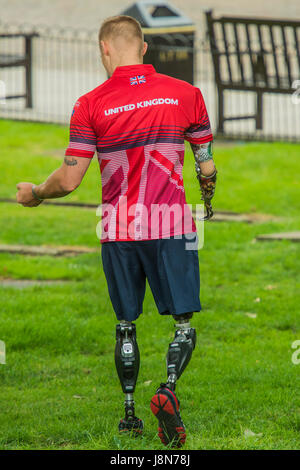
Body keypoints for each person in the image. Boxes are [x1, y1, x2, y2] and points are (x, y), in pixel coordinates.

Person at [16, 15, 217, 448]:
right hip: (172, 224)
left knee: (126, 323)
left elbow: (69, 181)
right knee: (183, 325)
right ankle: (167, 389)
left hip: (119, 227)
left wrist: (34, 192)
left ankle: (129, 414)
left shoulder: (90, 104)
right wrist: (208, 195)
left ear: (105, 49)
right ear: (145, 49)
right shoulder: (186, 94)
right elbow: (206, 164)